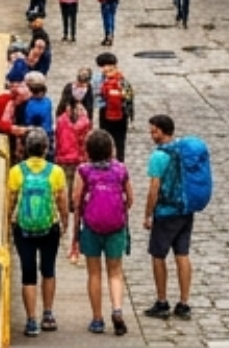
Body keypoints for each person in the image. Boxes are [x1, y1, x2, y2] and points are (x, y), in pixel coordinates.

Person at [70, 127, 132, 337]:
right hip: (116, 227)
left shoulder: (84, 171)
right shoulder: (120, 170)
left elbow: (76, 201)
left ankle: (97, 319)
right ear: (110, 149)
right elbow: (129, 199)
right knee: (115, 271)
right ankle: (117, 309)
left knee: (94, 273)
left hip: (91, 227)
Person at [9, 129, 68, 337]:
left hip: (23, 228)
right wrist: (65, 221)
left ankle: (31, 320)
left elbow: (11, 200)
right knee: (48, 270)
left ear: (26, 148)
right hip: (49, 227)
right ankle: (48, 314)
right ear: (46, 148)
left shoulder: (16, 171)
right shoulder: (56, 172)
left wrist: (10, 220)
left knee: (28, 273)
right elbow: (62, 201)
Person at [140, 115, 195, 321]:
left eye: (154, 131)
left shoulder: (159, 156)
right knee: (182, 255)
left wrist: (147, 214)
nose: (151, 134)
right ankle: (184, 302)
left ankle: (162, 301)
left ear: (163, 131)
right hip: (185, 210)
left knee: (158, 255)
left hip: (165, 212)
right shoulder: (183, 150)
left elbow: (154, 188)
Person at [96, 53, 133, 162]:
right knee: (119, 141)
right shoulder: (123, 80)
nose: (103, 69)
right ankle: (119, 162)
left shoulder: (102, 81)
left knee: (107, 140)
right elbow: (129, 99)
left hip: (107, 113)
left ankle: (107, 161)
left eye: (104, 66)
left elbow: (98, 99)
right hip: (121, 115)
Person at [55, 88, 94, 171]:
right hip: (76, 160)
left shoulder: (61, 120)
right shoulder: (83, 122)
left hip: (62, 159)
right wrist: (84, 117)